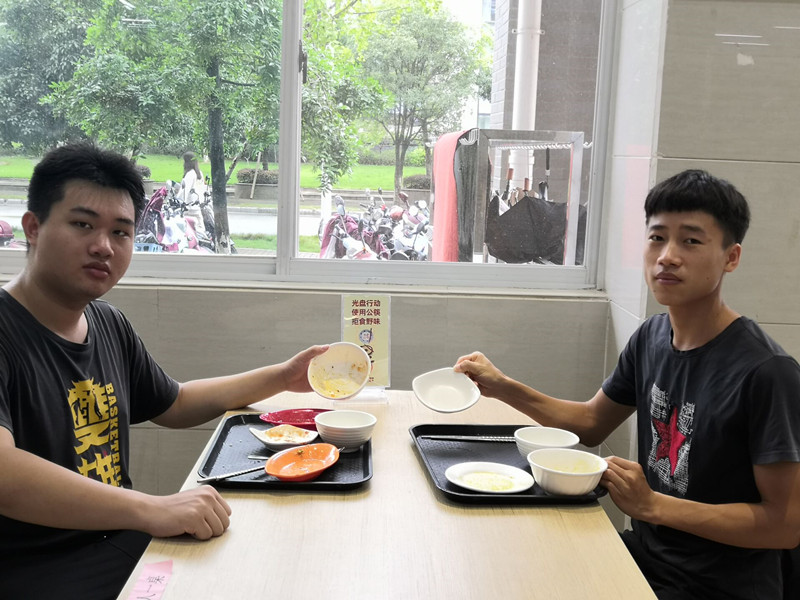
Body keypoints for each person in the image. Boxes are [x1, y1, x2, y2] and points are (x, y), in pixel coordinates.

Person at [0, 143, 329, 599]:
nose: (103, 246)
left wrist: (283, 377)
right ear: (33, 228)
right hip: (33, 568)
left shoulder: (107, 323)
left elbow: (173, 403)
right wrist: (151, 508)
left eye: (121, 232)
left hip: (116, 543)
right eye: (83, 224)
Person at [454, 170, 800, 599]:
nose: (667, 256)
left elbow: (785, 524)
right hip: (646, 558)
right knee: (507, 564)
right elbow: (592, 423)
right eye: (657, 238)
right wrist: (502, 386)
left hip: (719, 587)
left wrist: (653, 505)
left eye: (691, 241)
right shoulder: (651, 337)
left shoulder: (768, 373)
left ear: (731, 257)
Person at [178, 151, 207, 234]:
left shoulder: (190, 174)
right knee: (201, 231)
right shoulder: (199, 173)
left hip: (189, 209)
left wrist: (178, 202)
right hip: (197, 207)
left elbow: (184, 191)